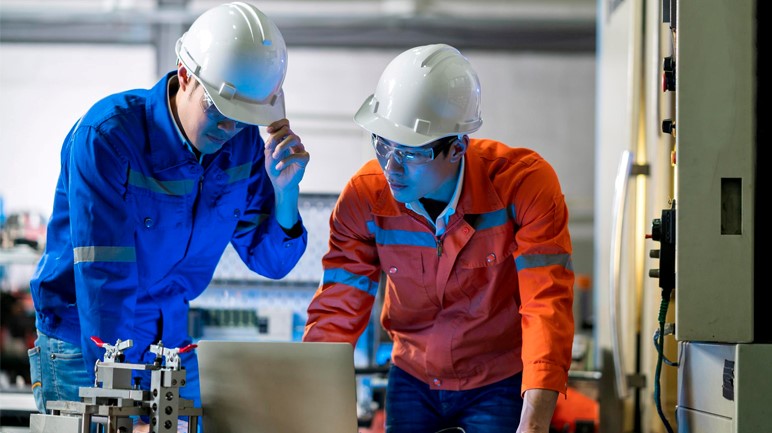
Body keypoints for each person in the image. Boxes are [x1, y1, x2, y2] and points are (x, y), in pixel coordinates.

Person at [27, 0, 309, 421]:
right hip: (85, 340)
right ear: (184, 76)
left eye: (243, 118)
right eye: (221, 112)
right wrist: (118, 402)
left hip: (169, 342)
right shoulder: (108, 138)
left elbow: (272, 261)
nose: (229, 130)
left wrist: (285, 193)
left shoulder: (244, 147)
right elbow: (106, 279)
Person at [303, 44, 574, 433]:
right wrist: (309, 403)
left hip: (498, 381)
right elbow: (337, 308)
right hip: (412, 377)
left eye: (411, 152)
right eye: (381, 144)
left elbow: (545, 303)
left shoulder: (523, 185)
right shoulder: (365, 197)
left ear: (458, 147)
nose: (391, 166)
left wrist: (533, 423)